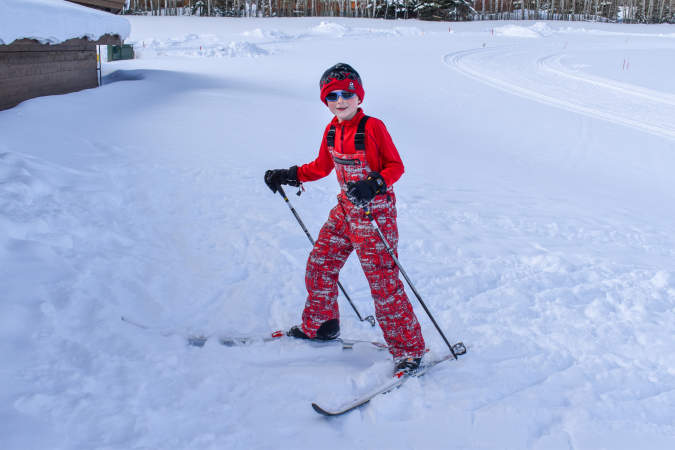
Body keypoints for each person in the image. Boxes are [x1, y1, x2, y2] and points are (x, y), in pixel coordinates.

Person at [264, 63, 425, 374]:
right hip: (345, 211)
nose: (340, 101)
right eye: (332, 96)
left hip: (374, 215)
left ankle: (409, 350)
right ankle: (322, 324)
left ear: (358, 96)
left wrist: (375, 183)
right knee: (320, 264)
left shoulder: (373, 127)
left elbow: (396, 166)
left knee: (383, 284)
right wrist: (290, 174)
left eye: (347, 94)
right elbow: (322, 167)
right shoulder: (332, 129)